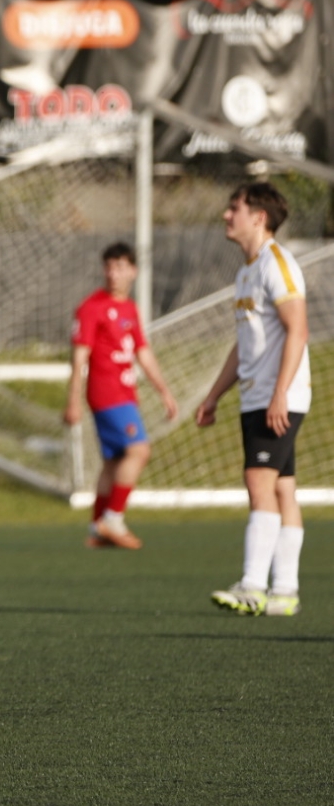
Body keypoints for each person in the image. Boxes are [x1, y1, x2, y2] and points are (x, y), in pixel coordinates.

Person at [197, 182, 310, 617]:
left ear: (258, 217)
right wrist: (213, 395)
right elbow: (245, 345)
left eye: (234, 208)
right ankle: (284, 592)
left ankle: (252, 585)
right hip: (257, 396)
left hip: (276, 396)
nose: (227, 215)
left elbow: (298, 329)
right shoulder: (246, 270)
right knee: (282, 488)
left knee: (257, 481)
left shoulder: (276, 264)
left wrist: (281, 392)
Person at [63, 242, 179, 549]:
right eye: (109, 267)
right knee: (139, 451)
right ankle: (114, 519)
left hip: (125, 393)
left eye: (120, 267)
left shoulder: (130, 308)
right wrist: (72, 400)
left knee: (114, 461)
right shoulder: (91, 308)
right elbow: (79, 358)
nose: (113, 274)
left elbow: (143, 352)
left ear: (133, 271)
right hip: (106, 394)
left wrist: (164, 391)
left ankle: (97, 529)